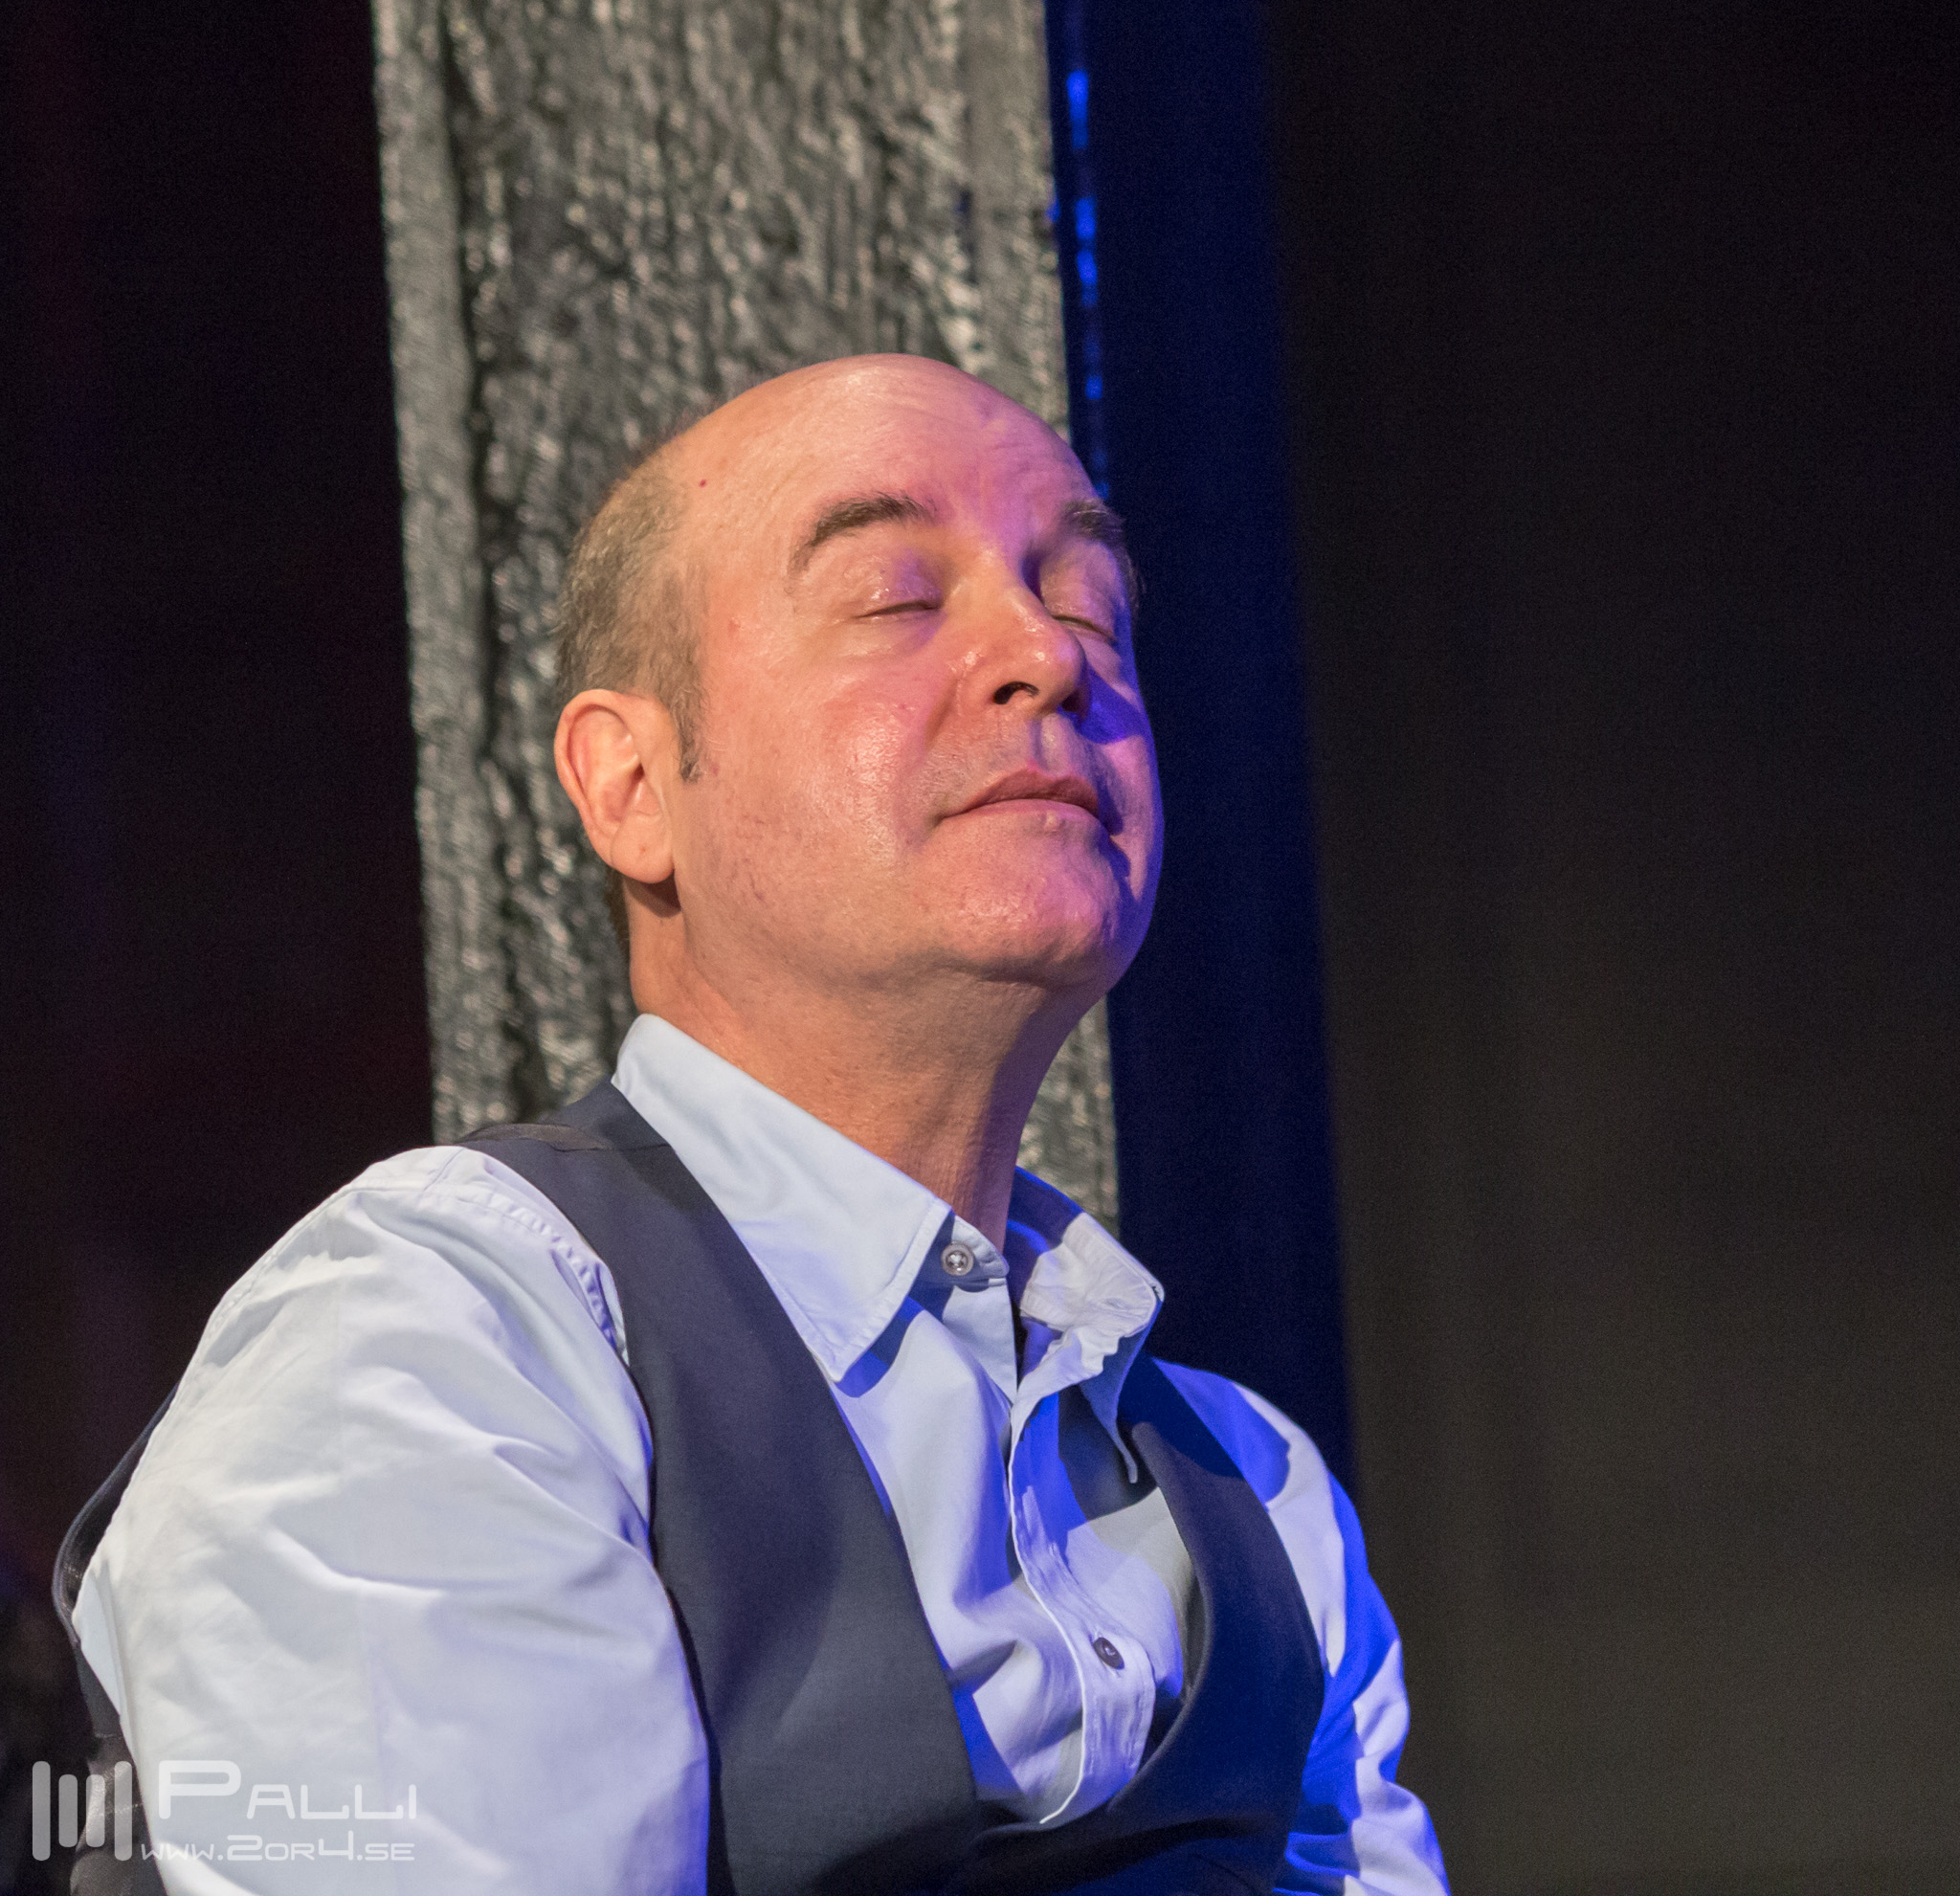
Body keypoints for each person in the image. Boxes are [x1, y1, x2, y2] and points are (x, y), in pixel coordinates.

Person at [65, 356, 1448, 1894]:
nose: (1046, 658)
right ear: (630, 785)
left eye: (1091, 607)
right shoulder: (440, 1347)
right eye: (894, 597)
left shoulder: (1260, 1493)